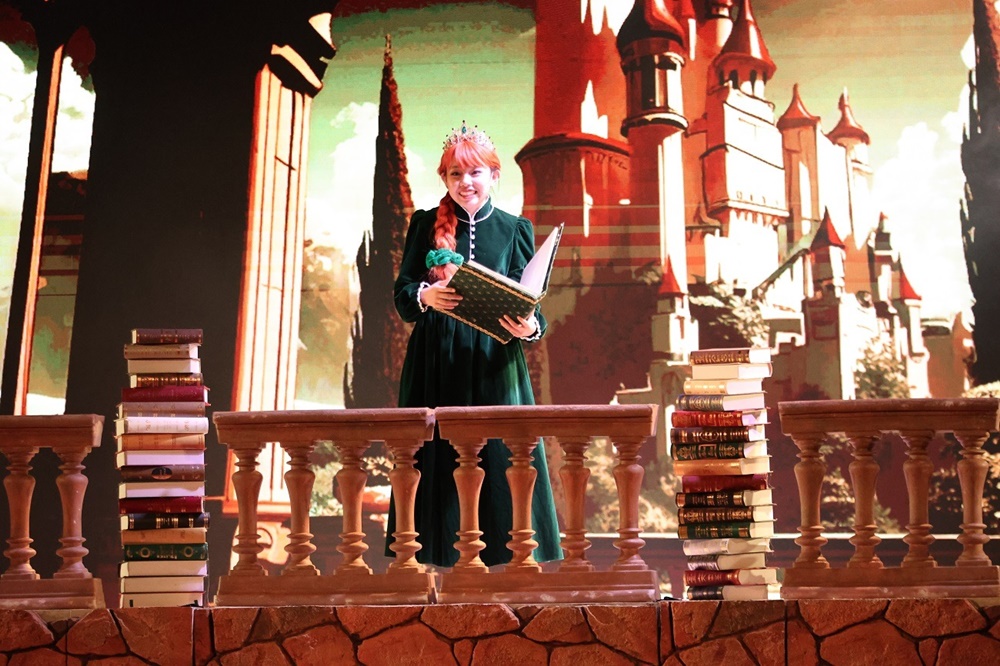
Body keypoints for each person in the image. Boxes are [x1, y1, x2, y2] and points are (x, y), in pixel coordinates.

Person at [385, 122, 562, 568]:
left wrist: (528, 327)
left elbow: (532, 305)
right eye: (456, 174)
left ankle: (509, 570)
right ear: (445, 179)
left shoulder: (515, 229)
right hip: (436, 362)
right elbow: (403, 296)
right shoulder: (425, 224)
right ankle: (434, 570)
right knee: (435, 461)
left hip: (495, 362)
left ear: (494, 175)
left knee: (504, 461)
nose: (466, 182)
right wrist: (426, 296)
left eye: (475, 172)